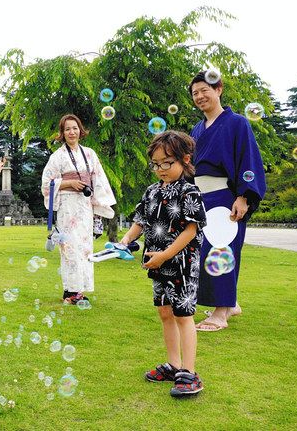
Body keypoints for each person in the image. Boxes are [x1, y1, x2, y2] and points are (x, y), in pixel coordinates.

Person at [120, 130, 207, 397]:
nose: (160, 169)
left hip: (182, 264)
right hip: (157, 263)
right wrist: (124, 240)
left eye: (167, 163)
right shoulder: (151, 191)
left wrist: (165, 254)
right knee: (165, 313)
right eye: (156, 164)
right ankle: (173, 365)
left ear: (185, 159)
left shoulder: (189, 191)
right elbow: (140, 222)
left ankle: (190, 374)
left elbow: (191, 230)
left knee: (183, 315)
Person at [189, 71, 266, 331]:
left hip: (226, 197)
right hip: (202, 198)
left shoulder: (237, 123)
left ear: (219, 89)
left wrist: (244, 196)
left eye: (204, 90)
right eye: (195, 93)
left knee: (220, 249)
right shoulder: (197, 129)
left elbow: (249, 160)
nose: (199, 96)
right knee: (204, 252)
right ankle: (230, 304)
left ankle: (221, 313)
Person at [41, 114, 116, 305]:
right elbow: (46, 183)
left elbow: (98, 179)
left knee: (84, 248)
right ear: (62, 133)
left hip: (85, 205)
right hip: (67, 206)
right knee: (69, 247)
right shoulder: (57, 157)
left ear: (80, 130)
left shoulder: (90, 153)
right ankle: (70, 291)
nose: (71, 132)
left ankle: (79, 290)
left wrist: (99, 204)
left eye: (74, 128)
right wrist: (68, 183)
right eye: (67, 129)